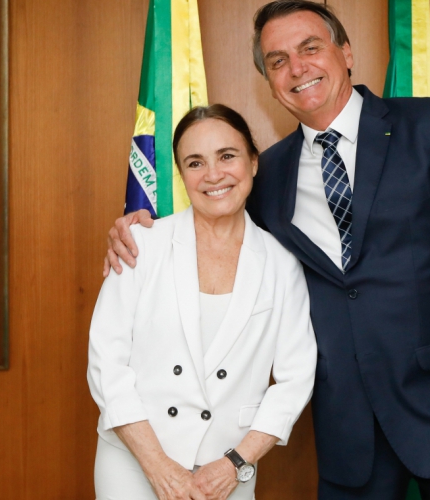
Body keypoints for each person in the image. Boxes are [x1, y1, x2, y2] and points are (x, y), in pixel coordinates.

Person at [105, 1, 430, 498]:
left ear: (345, 52)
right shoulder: (270, 173)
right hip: (350, 432)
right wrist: (144, 227)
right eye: (278, 60)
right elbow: (217, 228)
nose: (297, 68)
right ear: (269, 79)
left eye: (310, 48)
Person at [89, 104, 317, 500]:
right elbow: (107, 363)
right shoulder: (139, 245)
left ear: (253, 162)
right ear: (181, 175)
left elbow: (295, 380)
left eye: (227, 156)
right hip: (133, 458)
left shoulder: (282, 263)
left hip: (227, 467)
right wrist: (158, 467)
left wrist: (237, 462)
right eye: (195, 163)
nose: (213, 175)